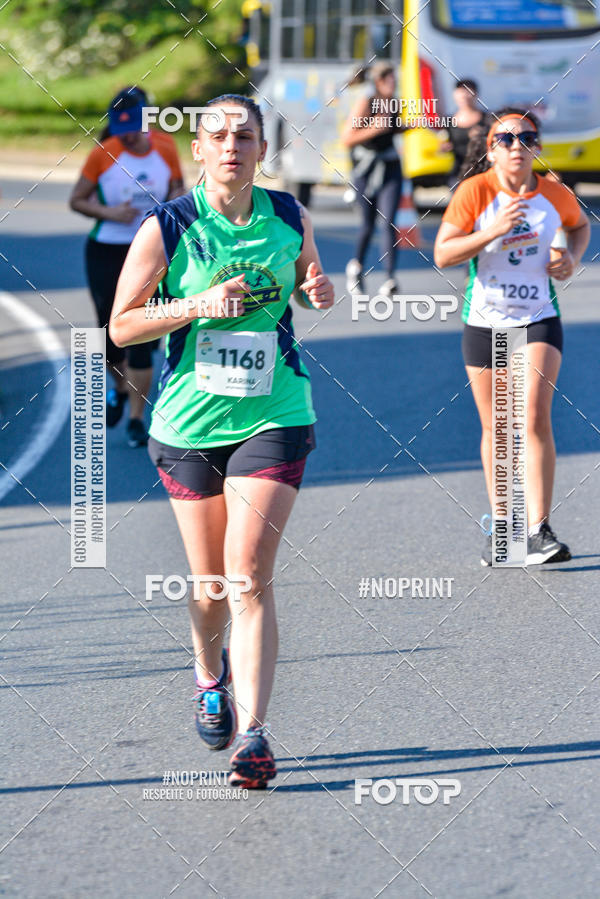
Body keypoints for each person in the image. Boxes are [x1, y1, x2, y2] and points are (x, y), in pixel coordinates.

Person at [109, 94, 334, 788]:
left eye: (244, 134)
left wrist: (317, 289)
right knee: (209, 586)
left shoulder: (289, 216)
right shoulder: (169, 225)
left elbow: (306, 280)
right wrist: (198, 305)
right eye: (217, 134)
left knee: (248, 574)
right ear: (199, 150)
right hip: (187, 424)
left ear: (262, 149)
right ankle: (210, 672)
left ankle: (255, 734)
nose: (231, 144)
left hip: (275, 412)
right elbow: (121, 326)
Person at [434, 108, 590, 566]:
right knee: (497, 428)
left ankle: (539, 529)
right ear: (491, 149)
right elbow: (443, 252)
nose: (516, 145)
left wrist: (570, 259)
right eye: (505, 138)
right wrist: (493, 231)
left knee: (532, 415)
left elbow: (579, 227)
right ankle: (505, 528)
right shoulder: (475, 192)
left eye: (526, 137)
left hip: (537, 315)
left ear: (537, 146)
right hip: (485, 320)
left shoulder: (555, 194)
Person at [70, 86, 185, 447]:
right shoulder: (102, 154)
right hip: (106, 250)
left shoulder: (165, 147)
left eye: (134, 127)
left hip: (150, 252)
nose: (128, 136)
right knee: (108, 332)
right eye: (121, 130)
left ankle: (137, 418)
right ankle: (119, 387)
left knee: (142, 334)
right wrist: (110, 213)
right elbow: (77, 200)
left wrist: (167, 209)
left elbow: (180, 188)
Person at [342, 61, 408, 298]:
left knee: (389, 221)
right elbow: (347, 137)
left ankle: (390, 278)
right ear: (379, 82)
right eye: (390, 81)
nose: (394, 85)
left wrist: (402, 127)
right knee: (368, 225)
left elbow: (392, 130)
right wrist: (375, 128)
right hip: (367, 169)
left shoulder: (395, 103)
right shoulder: (367, 102)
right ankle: (356, 267)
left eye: (396, 81)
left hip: (390, 165)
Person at [441, 78, 484, 186]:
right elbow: (443, 145)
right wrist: (444, 148)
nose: (464, 95)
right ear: (455, 95)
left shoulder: (488, 119)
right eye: (461, 92)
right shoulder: (448, 121)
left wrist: (482, 138)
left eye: (468, 91)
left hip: (482, 172)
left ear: (476, 94)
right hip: (458, 174)